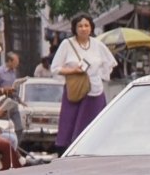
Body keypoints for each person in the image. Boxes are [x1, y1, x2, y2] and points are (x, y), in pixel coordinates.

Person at [50, 12, 117, 155]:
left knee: (95, 125)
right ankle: (70, 153)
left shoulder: (98, 44)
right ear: (75, 28)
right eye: (80, 26)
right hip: (76, 91)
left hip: (95, 91)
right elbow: (55, 68)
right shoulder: (67, 44)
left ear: (91, 28)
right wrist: (73, 70)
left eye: (86, 25)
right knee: (72, 126)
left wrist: (100, 76)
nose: (83, 28)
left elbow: (109, 64)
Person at [0, 51, 24, 139]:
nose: (16, 65)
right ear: (9, 61)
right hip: (3, 101)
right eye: (15, 63)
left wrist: (20, 100)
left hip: (13, 100)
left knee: (19, 128)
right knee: (4, 127)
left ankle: (16, 148)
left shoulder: (15, 72)